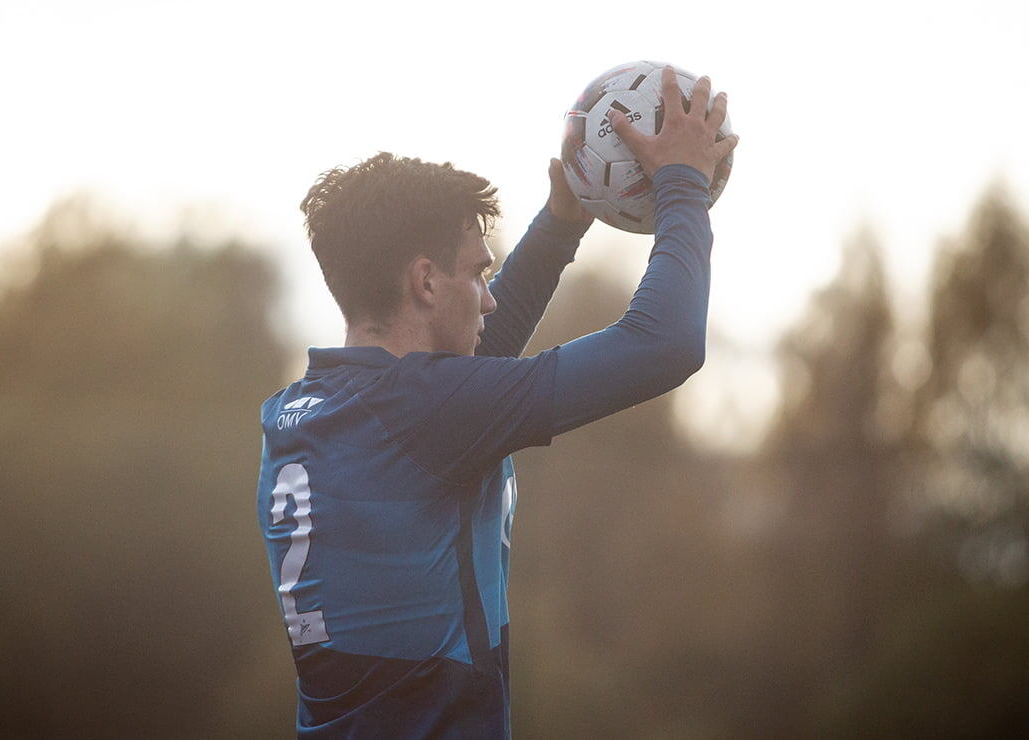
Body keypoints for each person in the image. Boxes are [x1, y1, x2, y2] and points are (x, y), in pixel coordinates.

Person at [257, 68, 738, 738]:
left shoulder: (302, 411)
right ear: (425, 282)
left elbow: (476, 354)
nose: (488, 296)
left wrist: (563, 222)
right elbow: (666, 343)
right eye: (478, 272)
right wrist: (682, 182)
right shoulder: (425, 413)